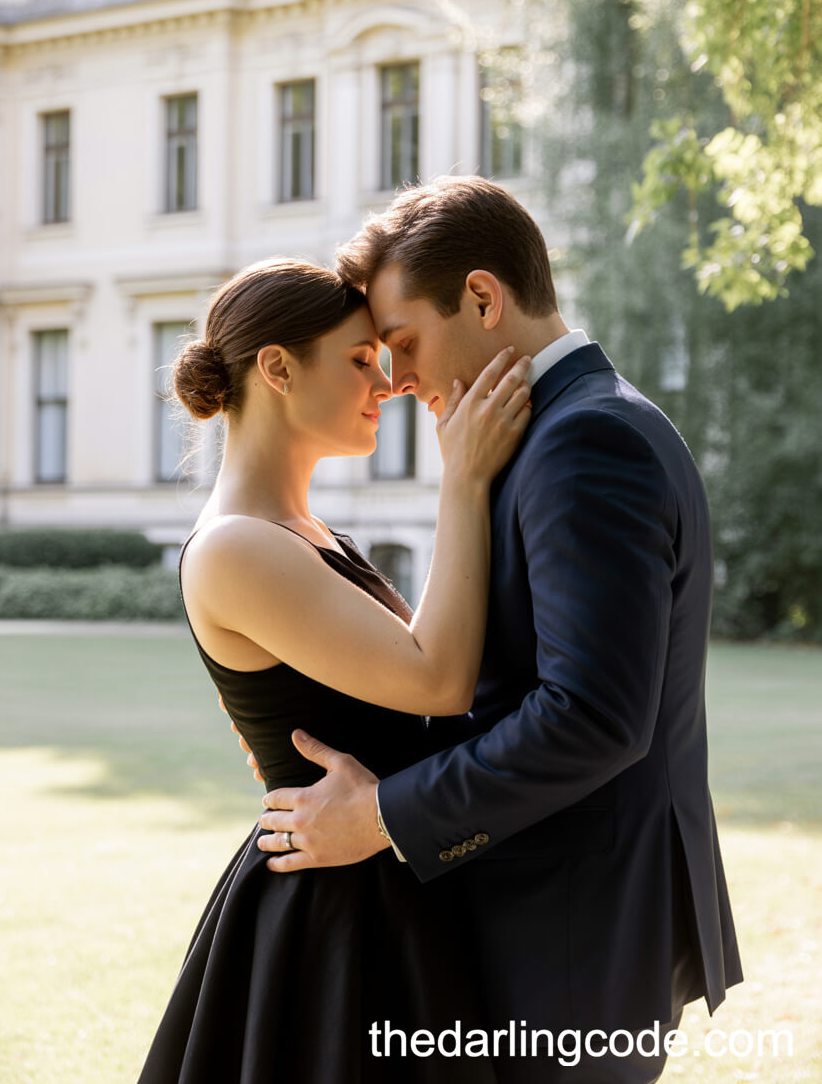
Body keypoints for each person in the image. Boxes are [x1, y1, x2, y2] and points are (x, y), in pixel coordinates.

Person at [253, 177, 744, 1083]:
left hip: (568, 932)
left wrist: (380, 816)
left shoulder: (583, 444)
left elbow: (591, 715)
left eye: (403, 344)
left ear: (483, 297)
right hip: (568, 916)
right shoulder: (569, 427)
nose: (394, 382)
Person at [136, 256, 532, 1084]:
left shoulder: (304, 531)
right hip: (336, 915)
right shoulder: (237, 544)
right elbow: (437, 680)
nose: (385, 383)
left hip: (383, 881)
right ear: (277, 368)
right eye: (359, 360)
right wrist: (461, 479)